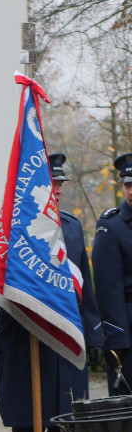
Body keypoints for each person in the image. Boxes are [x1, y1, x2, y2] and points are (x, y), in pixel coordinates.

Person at [0, 153, 101, 432]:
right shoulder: (1, 226)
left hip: (64, 341)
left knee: (64, 423)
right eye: (52, 184)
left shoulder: (71, 226)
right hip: (22, 340)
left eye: (61, 184)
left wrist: (94, 334)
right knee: (27, 426)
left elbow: (86, 287)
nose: (59, 191)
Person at [93, 152, 132, 395]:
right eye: (128, 185)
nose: (131, 192)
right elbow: (108, 289)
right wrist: (116, 342)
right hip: (127, 330)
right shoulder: (111, 226)